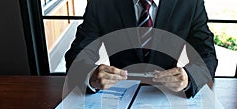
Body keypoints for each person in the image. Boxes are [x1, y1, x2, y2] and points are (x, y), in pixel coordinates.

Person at [65, 0, 217, 97]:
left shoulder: (190, 3)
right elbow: (78, 54)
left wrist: (189, 78)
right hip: (116, 91)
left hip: (167, 93)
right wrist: (90, 75)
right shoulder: (101, 3)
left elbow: (207, 55)